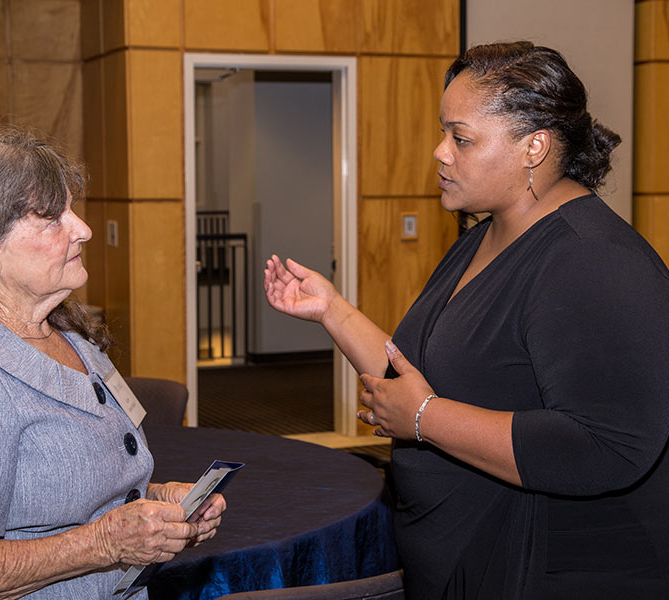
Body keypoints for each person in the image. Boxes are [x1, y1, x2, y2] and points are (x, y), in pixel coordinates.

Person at [264, 41, 669, 599]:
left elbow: (608, 444)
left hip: (546, 568)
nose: (440, 152)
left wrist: (426, 418)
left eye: (461, 138)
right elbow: (415, 374)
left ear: (535, 147)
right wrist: (333, 310)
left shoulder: (593, 259)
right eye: (443, 133)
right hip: (461, 554)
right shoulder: (483, 236)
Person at [0, 127, 226, 599]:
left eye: (71, 209)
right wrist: (107, 541)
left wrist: (156, 503)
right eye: (51, 218)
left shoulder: (66, 331)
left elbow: (65, 491)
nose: (82, 229)